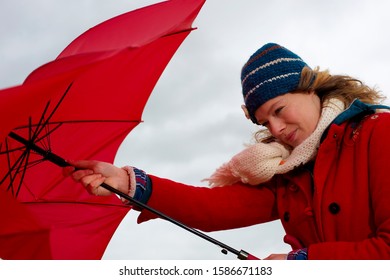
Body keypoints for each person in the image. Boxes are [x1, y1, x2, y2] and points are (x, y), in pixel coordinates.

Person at [64, 43, 390, 260]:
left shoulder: (378, 132)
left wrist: (303, 262)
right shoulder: (285, 169)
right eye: (264, 120)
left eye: (279, 110)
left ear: (309, 87)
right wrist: (126, 181)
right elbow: (213, 208)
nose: (275, 129)